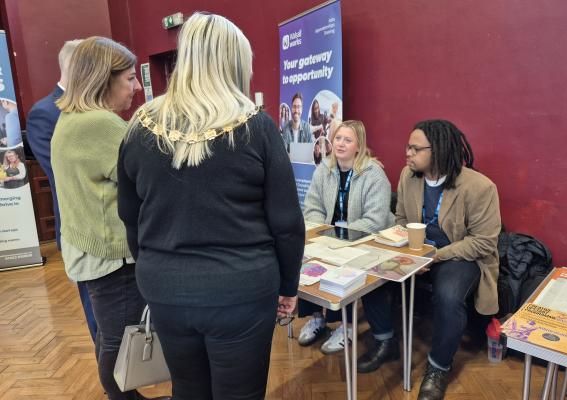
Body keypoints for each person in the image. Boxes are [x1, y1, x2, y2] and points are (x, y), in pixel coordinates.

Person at [118, 13, 304, 400]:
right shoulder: (258, 126)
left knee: (187, 390)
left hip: (164, 287)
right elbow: (286, 224)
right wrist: (288, 285)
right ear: (235, 63)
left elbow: (130, 218)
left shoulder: (139, 127)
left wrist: (159, 267)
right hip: (242, 289)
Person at [51, 37, 165, 400]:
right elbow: (153, 182)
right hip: (114, 257)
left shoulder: (71, 118)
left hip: (90, 250)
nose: (137, 87)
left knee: (109, 335)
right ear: (104, 79)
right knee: (121, 341)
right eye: (130, 78)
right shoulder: (100, 124)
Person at [358, 119, 501, 400]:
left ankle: (438, 367)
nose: (407, 153)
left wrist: (433, 257)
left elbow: (483, 242)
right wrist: (407, 252)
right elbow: (400, 220)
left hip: (459, 256)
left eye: (414, 148)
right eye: (407, 147)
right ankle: (385, 341)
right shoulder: (407, 176)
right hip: (417, 252)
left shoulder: (480, 187)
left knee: (448, 297)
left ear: (437, 150)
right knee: (370, 271)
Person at [300, 120, 395, 354]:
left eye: (347, 139)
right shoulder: (325, 168)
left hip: (366, 240)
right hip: (329, 238)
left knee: (345, 268)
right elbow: (312, 207)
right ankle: (316, 318)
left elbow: (374, 221)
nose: (341, 144)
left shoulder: (374, 174)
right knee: (304, 259)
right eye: (338, 138)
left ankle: (347, 326)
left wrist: (336, 237)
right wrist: (324, 233)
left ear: (359, 145)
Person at [25, 39, 98, 341]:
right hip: (81, 226)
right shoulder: (45, 113)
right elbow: (63, 171)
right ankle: (118, 386)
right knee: (98, 314)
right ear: (75, 66)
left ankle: (131, 377)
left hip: (115, 227)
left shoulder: (95, 106)